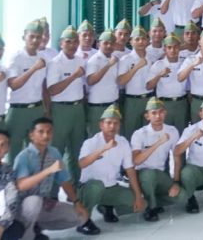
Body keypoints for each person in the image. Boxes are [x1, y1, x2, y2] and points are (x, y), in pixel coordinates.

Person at [75, 105, 145, 235]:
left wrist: (137, 196)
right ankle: (83, 221)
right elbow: (82, 164)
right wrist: (104, 148)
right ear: (101, 125)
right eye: (108, 123)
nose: (112, 126)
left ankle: (106, 206)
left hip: (111, 188)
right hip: (89, 187)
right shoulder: (91, 142)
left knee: (140, 204)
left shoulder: (123, 142)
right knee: (97, 186)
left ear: (119, 125)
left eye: (116, 123)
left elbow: (130, 170)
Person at [14, 118, 86, 240]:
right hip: (22, 207)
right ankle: (26, 236)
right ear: (31, 135)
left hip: (43, 203)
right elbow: (21, 185)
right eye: (41, 132)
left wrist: (76, 202)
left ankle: (36, 228)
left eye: (49, 132)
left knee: (79, 217)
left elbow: (64, 180)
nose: (45, 135)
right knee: (34, 201)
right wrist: (48, 171)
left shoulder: (54, 152)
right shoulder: (24, 156)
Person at [130, 98, 182, 221]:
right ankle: (151, 208)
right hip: (142, 174)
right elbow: (136, 161)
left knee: (182, 196)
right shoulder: (139, 134)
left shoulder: (172, 131)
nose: (158, 116)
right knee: (149, 175)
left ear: (165, 113)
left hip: (160, 174)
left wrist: (176, 182)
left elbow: (177, 158)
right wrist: (158, 143)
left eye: (161, 112)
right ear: (147, 116)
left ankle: (150, 200)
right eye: (154, 113)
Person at [45, 26, 86, 182]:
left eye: (75, 42)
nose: (72, 45)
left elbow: (83, 87)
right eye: (68, 42)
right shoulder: (55, 63)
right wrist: (73, 76)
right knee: (57, 150)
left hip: (77, 109)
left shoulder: (80, 60)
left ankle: (76, 185)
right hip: (61, 109)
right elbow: (52, 90)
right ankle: (51, 189)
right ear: (61, 43)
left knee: (77, 150)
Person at [6, 20, 49, 160]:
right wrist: (34, 68)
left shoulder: (43, 58)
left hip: (37, 109)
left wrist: (46, 110)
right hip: (19, 111)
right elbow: (13, 84)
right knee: (14, 152)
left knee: (37, 151)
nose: (35, 40)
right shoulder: (16, 57)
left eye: (38, 37)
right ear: (24, 36)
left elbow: (43, 86)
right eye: (32, 36)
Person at [117, 25, 155, 138]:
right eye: (137, 39)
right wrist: (136, 67)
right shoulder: (126, 59)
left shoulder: (152, 58)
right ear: (131, 41)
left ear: (147, 41)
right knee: (131, 133)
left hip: (149, 99)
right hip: (132, 101)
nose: (141, 42)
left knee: (149, 134)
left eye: (143, 39)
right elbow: (121, 81)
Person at [147, 33, 188, 130]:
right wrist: (159, 75)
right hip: (164, 104)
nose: (173, 50)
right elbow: (149, 86)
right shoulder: (158, 65)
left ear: (179, 48)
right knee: (165, 133)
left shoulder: (185, 63)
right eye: (169, 47)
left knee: (181, 132)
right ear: (164, 49)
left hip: (181, 103)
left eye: (175, 47)